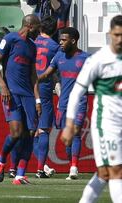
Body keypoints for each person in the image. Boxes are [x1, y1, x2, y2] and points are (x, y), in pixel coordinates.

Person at [61, 15, 122, 203]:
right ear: (110, 34)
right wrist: (70, 124)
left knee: (104, 174)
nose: (120, 39)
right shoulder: (98, 60)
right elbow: (76, 93)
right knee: (116, 171)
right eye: (117, 35)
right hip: (106, 126)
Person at [0, 14, 41, 185]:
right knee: (16, 132)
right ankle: (1, 160)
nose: (39, 32)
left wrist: (37, 99)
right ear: (30, 26)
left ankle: (20, 175)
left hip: (27, 95)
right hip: (11, 92)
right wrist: (3, 86)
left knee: (31, 133)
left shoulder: (32, 47)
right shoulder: (10, 39)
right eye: (38, 28)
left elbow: (33, 75)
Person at [38, 27, 89, 180]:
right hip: (63, 103)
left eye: (64, 40)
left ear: (73, 41)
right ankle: (71, 159)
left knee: (76, 133)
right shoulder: (59, 55)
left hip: (80, 102)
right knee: (67, 140)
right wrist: (34, 80)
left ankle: (74, 168)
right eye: (60, 39)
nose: (60, 42)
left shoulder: (86, 58)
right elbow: (47, 73)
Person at [33, 16, 60, 178]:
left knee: (29, 131)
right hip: (44, 88)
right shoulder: (55, 46)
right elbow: (55, 71)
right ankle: (40, 169)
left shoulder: (30, 42)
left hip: (27, 86)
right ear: (55, 30)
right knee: (43, 129)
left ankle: (14, 168)